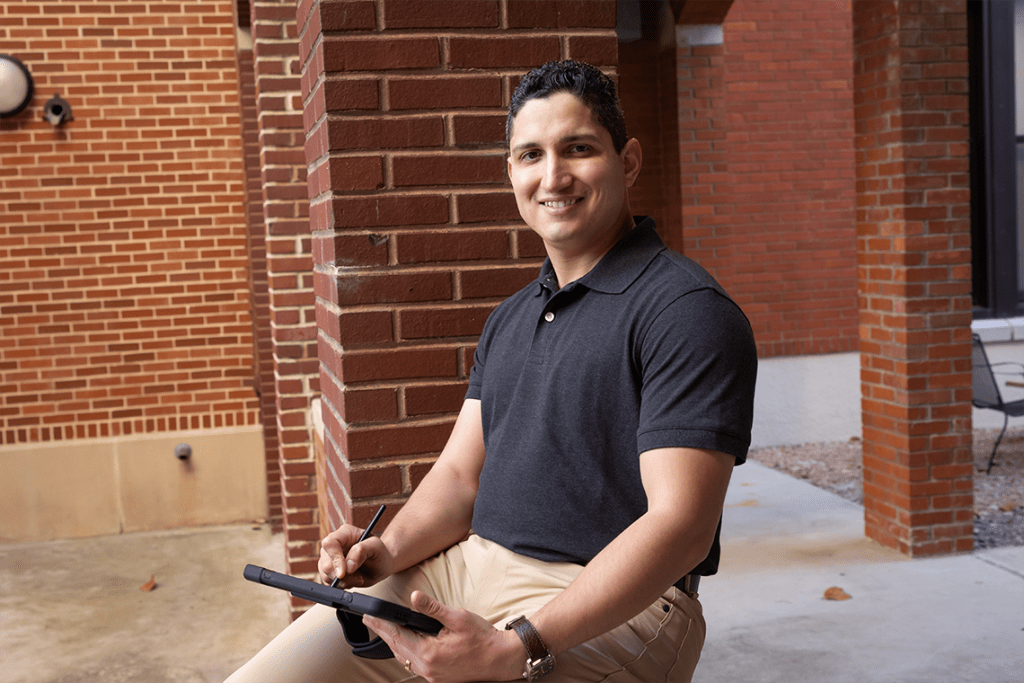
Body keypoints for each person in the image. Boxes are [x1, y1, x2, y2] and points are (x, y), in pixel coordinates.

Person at [226, 60, 757, 683]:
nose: (552, 175)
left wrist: (517, 645)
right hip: (466, 569)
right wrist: (385, 552)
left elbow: (681, 526)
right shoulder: (510, 319)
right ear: (512, 172)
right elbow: (458, 477)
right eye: (530, 155)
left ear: (628, 161)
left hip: (610, 601)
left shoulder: (685, 312)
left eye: (578, 149)